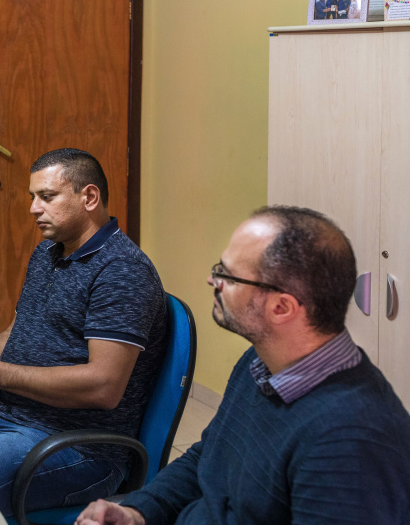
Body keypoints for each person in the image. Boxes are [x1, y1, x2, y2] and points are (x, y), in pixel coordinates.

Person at [76, 206, 410, 525]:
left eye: (228, 275)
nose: (212, 280)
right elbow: (208, 458)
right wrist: (140, 511)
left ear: (281, 308)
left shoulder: (352, 440)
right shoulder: (262, 361)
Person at [0, 148, 167, 516]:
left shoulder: (122, 271)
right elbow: (19, 325)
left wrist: (0, 375)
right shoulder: (47, 252)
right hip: (1, 406)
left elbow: (104, 386)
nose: (33, 208)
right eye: (33, 197)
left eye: (46, 197)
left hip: (71, 444)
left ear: (89, 197)